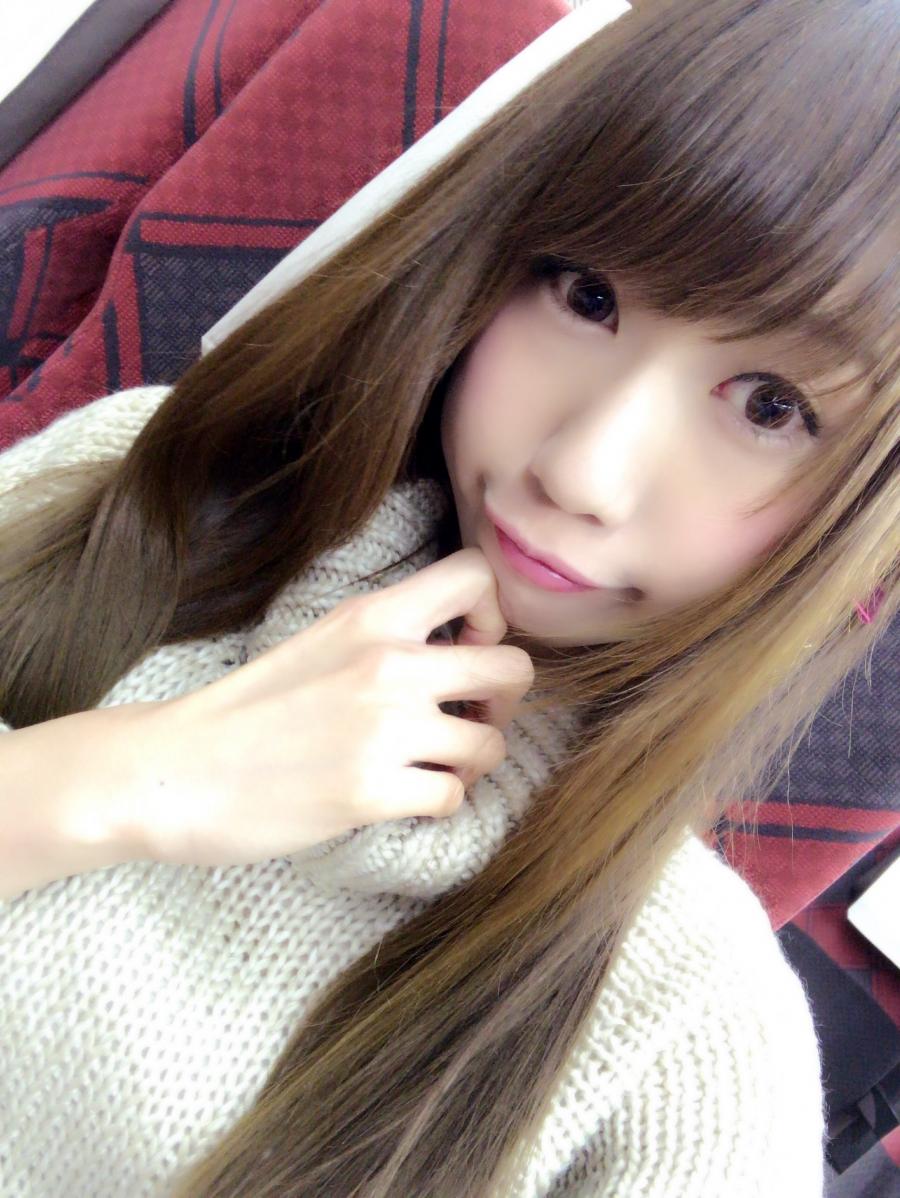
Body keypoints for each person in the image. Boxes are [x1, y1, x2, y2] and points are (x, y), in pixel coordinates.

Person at [0, 0, 895, 1194]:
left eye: (773, 406)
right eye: (585, 296)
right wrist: (121, 781)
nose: (580, 471)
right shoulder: (148, 484)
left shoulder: (688, 1043)